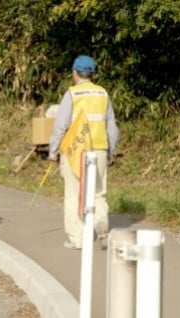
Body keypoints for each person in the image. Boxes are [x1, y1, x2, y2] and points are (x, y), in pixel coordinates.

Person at [48, 55, 119, 250]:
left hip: (75, 151)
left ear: (74, 73)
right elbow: (112, 126)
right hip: (99, 149)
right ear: (93, 74)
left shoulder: (72, 94)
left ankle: (76, 239)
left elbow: (60, 126)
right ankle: (101, 224)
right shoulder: (103, 94)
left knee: (72, 194)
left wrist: (53, 151)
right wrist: (111, 150)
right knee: (98, 193)